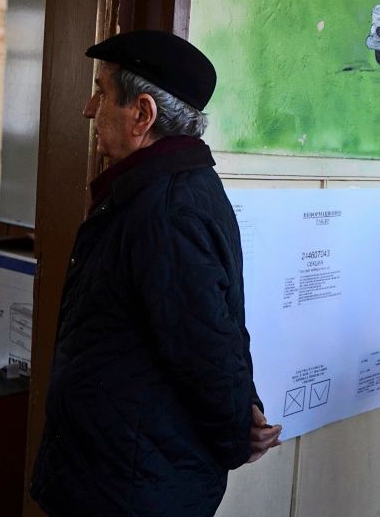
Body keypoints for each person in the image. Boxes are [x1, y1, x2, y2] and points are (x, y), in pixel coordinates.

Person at [30, 30, 282, 516]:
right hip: (123, 475)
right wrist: (242, 413)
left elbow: (207, 346)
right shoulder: (163, 192)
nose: (88, 109)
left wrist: (237, 431)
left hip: (128, 493)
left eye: (102, 93)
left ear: (142, 115)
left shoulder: (166, 210)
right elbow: (213, 328)